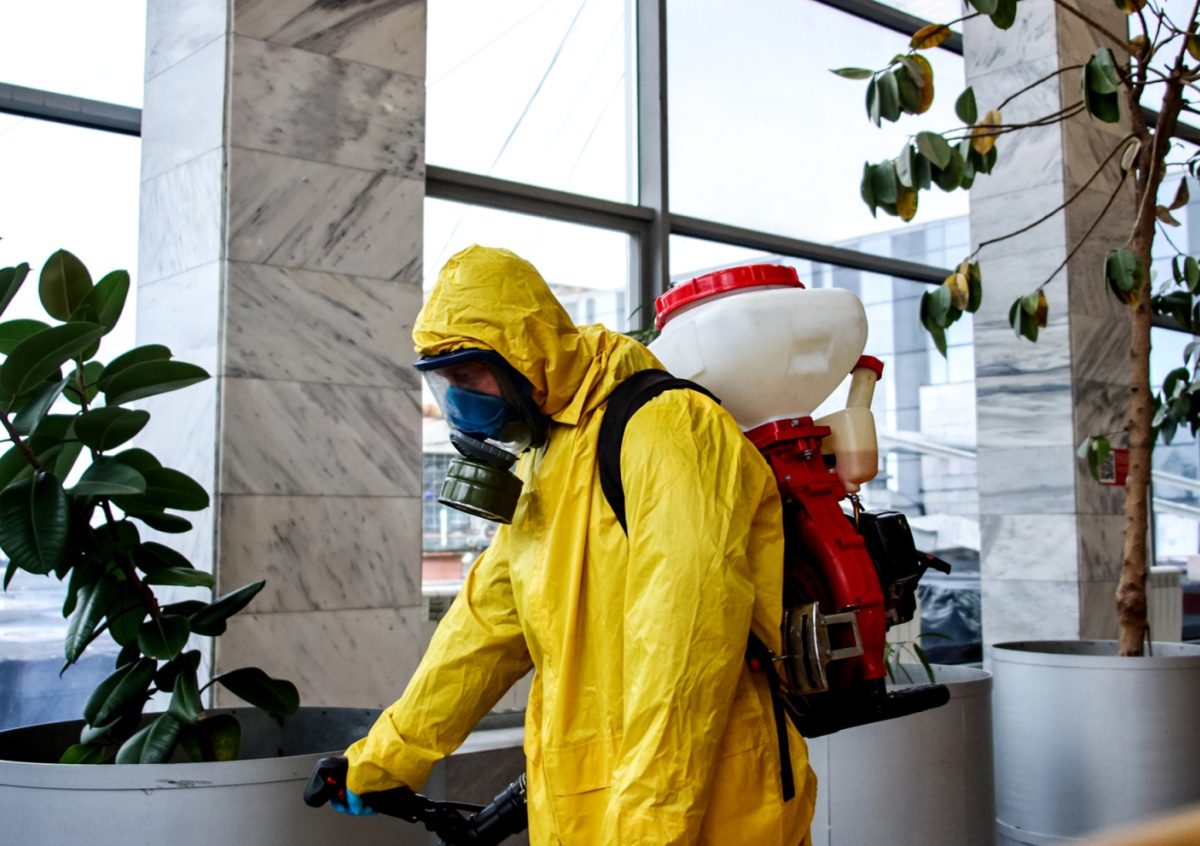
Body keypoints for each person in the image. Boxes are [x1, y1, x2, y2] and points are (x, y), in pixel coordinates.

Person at [338, 244, 816, 844]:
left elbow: (686, 650)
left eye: (466, 375)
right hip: (587, 812)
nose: (456, 400)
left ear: (521, 352)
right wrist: (382, 760)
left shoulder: (668, 429)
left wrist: (646, 830)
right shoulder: (547, 457)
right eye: (444, 382)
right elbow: (483, 630)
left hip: (707, 813)